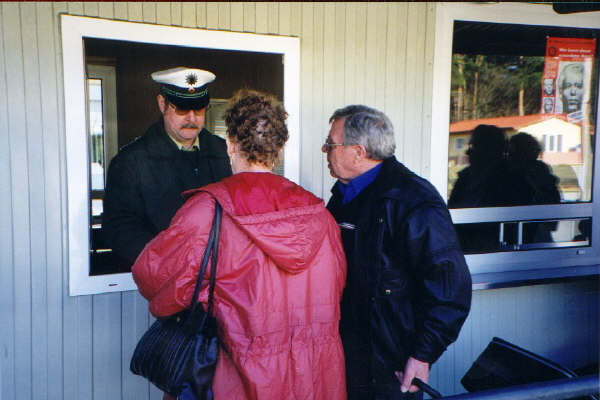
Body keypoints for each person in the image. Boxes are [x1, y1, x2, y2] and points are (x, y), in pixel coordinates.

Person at [133, 89, 347, 400]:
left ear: (231, 145)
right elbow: (335, 287)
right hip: (311, 380)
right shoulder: (320, 215)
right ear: (279, 149)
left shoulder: (207, 211)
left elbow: (155, 279)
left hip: (235, 379)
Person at [323, 105, 471, 399]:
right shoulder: (344, 196)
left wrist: (422, 354)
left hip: (389, 366)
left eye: (331, 144)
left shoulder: (413, 201)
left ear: (358, 151)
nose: (324, 150)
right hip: (347, 356)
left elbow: (451, 288)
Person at [103, 67, 232, 271]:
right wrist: (169, 261)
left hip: (222, 278)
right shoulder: (130, 161)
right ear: (162, 104)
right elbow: (119, 229)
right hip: (168, 280)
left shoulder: (226, 152)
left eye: (198, 108)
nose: (192, 118)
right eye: (182, 108)